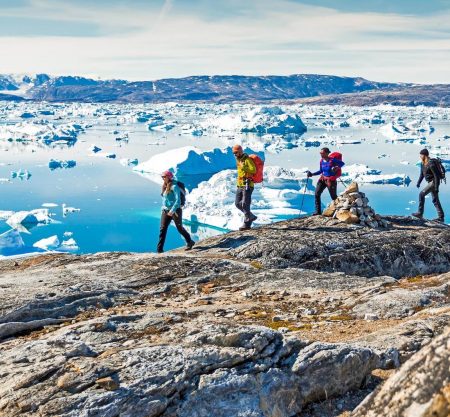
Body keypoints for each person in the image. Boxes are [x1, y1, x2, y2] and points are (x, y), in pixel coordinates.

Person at [157, 170, 195, 253]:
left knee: (179, 228)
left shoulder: (174, 186)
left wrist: (172, 210)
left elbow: (178, 200)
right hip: (165, 211)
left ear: (169, 177)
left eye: (164, 177)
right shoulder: (164, 185)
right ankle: (159, 250)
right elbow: (165, 200)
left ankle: (190, 241)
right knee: (162, 229)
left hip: (175, 211)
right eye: (162, 177)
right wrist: (164, 209)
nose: (163, 178)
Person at [307, 147, 345, 215]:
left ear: (327, 153)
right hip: (323, 179)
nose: (321, 154)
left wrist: (337, 167)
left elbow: (342, 163)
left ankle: (339, 211)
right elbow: (321, 171)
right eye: (320, 153)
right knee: (317, 194)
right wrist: (312, 174)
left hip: (331, 181)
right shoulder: (321, 161)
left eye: (322, 153)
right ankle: (318, 212)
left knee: (333, 197)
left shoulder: (332, 160)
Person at [412, 149, 444, 222]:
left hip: (433, 182)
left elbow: (436, 176)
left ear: (425, 155)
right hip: (430, 182)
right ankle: (441, 217)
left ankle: (420, 213)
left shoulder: (431, 164)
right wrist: (418, 182)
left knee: (421, 194)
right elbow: (422, 174)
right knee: (435, 200)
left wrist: (436, 187)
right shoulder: (422, 163)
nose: (420, 156)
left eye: (421, 155)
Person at [233, 144, 257, 230]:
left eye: (236, 152)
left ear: (240, 151)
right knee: (237, 203)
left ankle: (247, 224)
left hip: (248, 184)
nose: (235, 154)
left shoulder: (247, 160)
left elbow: (253, 170)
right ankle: (250, 216)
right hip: (240, 185)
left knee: (245, 204)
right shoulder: (238, 160)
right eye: (233, 153)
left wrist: (244, 167)